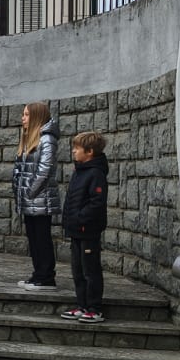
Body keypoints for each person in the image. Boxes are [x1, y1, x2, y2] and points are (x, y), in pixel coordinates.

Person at [12, 101, 61, 290]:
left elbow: (44, 169)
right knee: (33, 238)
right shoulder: (29, 138)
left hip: (40, 199)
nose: (22, 118)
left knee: (42, 238)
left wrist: (30, 191)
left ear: (36, 117)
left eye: (26, 115)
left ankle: (46, 276)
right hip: (29, 199)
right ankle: (38, 273)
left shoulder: (47, 139)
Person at [61, 132, 108, 323]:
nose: (73, 151)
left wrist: (80, 218)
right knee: (77, 270)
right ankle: (81, 305)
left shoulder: (96, 174)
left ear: (89, 152)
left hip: (87, 230)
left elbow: (97, 203)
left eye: (77, 148)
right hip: (75, 230)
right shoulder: (79, 171)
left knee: (90, 270)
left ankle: (94, 308)